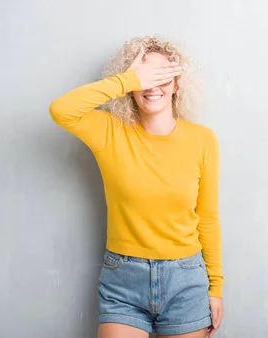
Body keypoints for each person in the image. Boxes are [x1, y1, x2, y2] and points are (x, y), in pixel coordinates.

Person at [49, 35, 224, 338]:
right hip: (123, 281)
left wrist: (216, 286)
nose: (152, 85)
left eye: (163, 75)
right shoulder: (109, 132)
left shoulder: (203, 140)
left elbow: (207, 217)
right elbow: (61, 110)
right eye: (145, 76)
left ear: (177, 83)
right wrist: (127, 79)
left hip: (186, 279)